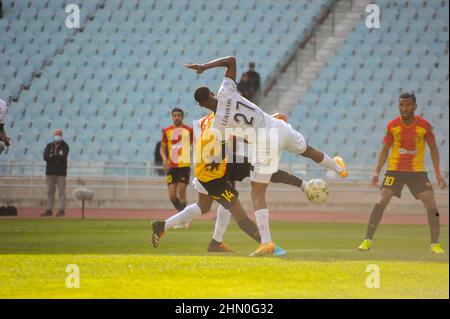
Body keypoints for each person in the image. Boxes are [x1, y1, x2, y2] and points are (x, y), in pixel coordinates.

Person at [185, 56, 347, 256]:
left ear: (201, 106)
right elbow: (232, 60)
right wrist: (204, 67)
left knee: (257, 193)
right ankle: (338, 168)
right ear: (212, 93)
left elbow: (234, 140)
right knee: (309, 151)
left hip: (265, 142)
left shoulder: (217, 124)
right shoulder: (226, 90)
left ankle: (266, 243)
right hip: (278, 126)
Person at [152, 112, 307, 256]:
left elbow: (233, 133)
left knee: (206, 204)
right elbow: (241, 136)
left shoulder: (210, 118)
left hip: (220, 165)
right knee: (236, 211)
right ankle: (267, 245)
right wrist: (271, 128)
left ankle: (212, 241)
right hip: (211, 175)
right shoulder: (225, 118)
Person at [358, 92, 447, 254]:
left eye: (407, 105)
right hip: (395, 170)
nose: (404, 108)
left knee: (431, 203)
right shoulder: (392, 125)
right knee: (382, 198)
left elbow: (433, 148)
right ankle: (367, 240)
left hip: (417, 171)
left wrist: (437, 173)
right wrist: (376, 172)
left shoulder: (424, 126)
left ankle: (435, 244)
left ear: (414, 106)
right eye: (401, 105)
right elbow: (385, 148)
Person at [160, 108, 193, 227]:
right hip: (171, 166)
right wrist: (164, 159)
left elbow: (195, 145)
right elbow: (162, 148)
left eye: (179, 115)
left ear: (182, 117)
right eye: (174, 115)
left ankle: (183, 220)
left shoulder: (188, 130)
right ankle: (184, 217)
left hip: (184, 165)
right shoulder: (167, 131)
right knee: (172, 195)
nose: (177, 117)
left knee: (181, 191)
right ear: (172, 117)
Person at [41, 129, 70, 217]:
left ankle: (62, 210)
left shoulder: (65, 146)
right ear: (53, 135)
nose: (57, 136)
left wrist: (52, 156)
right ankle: (49, 210)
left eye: (59, 134)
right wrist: (56, 157)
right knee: (50, 191)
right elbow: (45, 157)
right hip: (50, 172)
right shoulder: (49, 146)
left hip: (61, 173)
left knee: (61, 192)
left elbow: (63, 156)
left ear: (62, 135)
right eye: (56, 134)